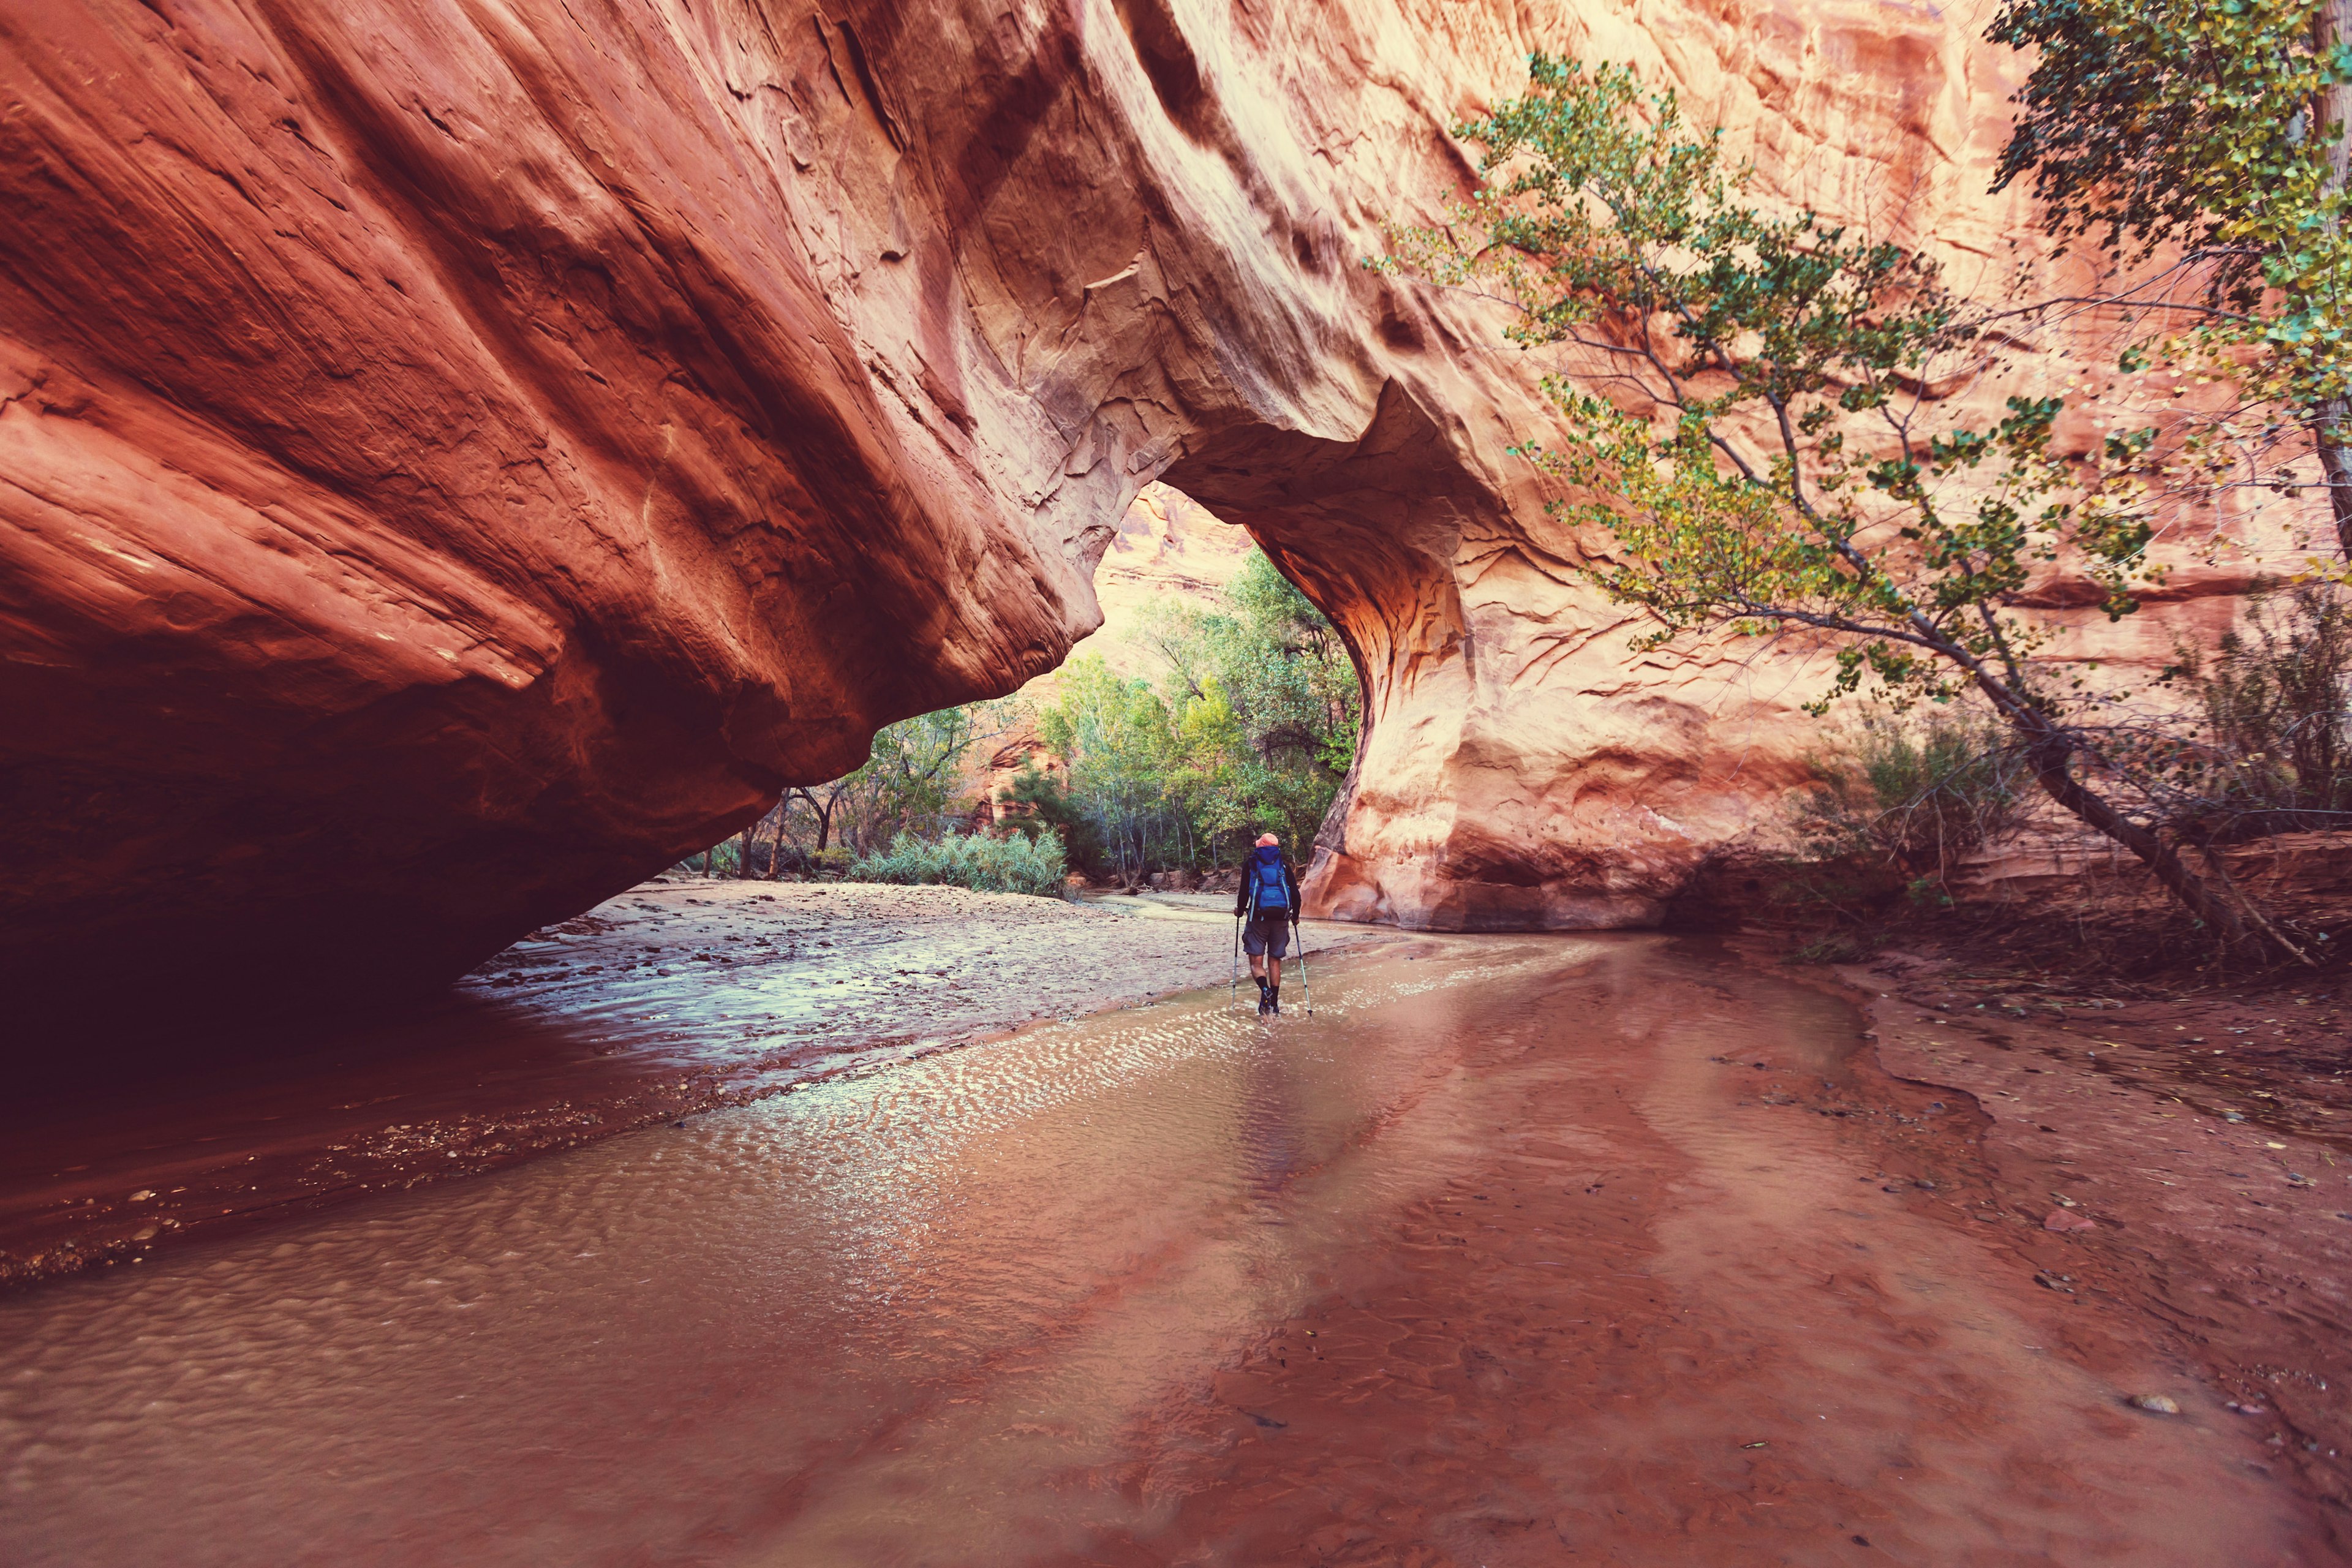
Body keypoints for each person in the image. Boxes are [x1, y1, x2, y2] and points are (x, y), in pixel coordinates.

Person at [1235, 832, 1302, 1016]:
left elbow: (1243, 894)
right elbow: (1295, 895)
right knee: (1275, 961)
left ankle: (1265, 990)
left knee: (1256, 963)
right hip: (1281, 919)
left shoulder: (1251, 864)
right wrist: (1295, 916)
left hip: (1258, 919)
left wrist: (1240, 912)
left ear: (1260, 847)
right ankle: (1275, 1004)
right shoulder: (1284, 866)